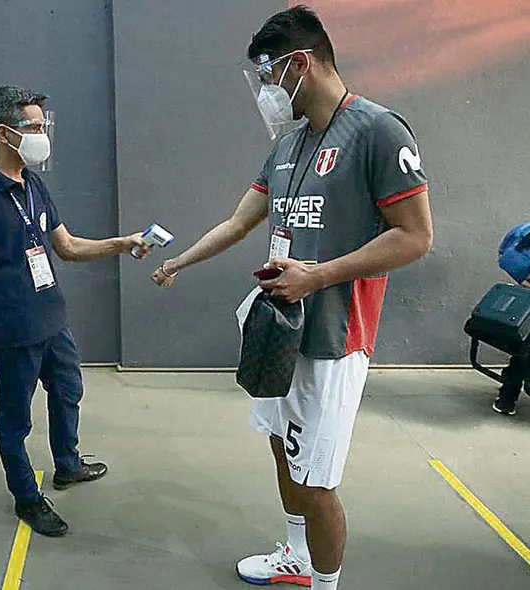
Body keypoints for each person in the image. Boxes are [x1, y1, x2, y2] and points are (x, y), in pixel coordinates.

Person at [151, 7, 433, 589]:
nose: (266, 92)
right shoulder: (287, 146)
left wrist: (319, 274)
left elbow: (415, 236)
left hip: (335, 337)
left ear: (300, 64)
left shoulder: (379, 130)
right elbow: (239, 221)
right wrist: (179, 260)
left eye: (268, 76)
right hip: (279, 328)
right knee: (283, 449)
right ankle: (298, 559)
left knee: (319, 480)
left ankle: (327, 585)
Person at [0, 85, 149, 537]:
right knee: (15, 420)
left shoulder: (33, 184)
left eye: (43, 125)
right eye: (33, 126)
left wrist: (123, 242)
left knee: (67, 391)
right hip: (12, 330)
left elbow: (67, 246)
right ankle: (26, 497)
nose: (42, 134)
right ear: (4, 132)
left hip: (52, 321)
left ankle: (67, 464)